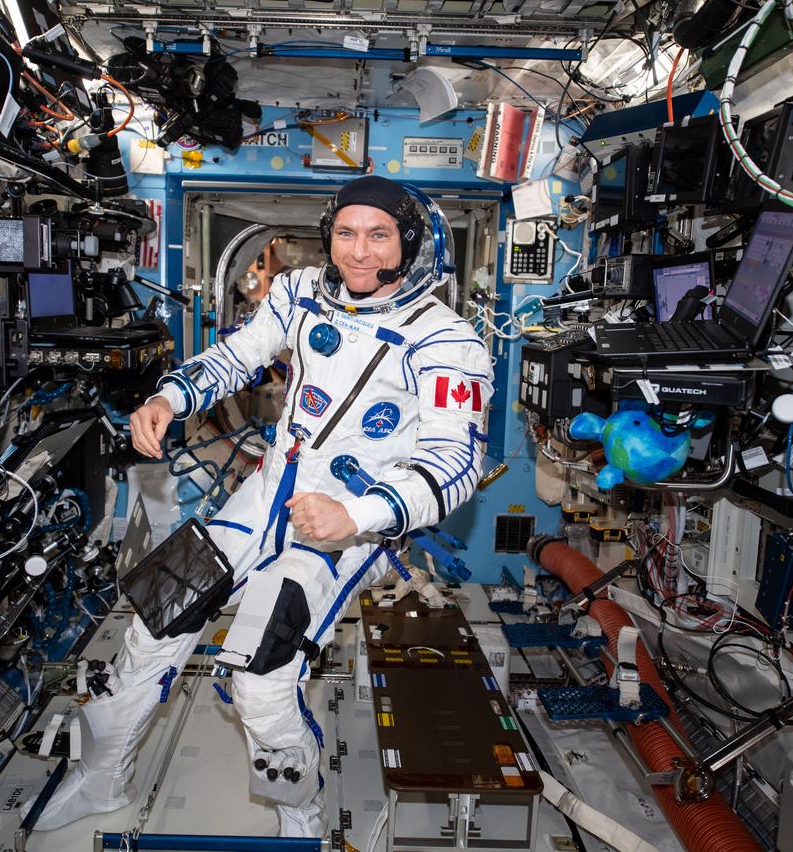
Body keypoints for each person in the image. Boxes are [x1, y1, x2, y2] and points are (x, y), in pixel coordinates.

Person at [28, 175, 494, 836]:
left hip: (344, 529)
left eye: (379, 235)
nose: (359, 252)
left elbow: (456, 465)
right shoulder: (300, 294)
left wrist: (356, 516)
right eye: (346, 234)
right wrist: (172, 397)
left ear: (408, 243)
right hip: (265, 495)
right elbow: (237, 356)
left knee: (260, 676)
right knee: (152, 627)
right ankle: (102, 778)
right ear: (328, 236)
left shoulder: (448, 341)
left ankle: (297, 810)